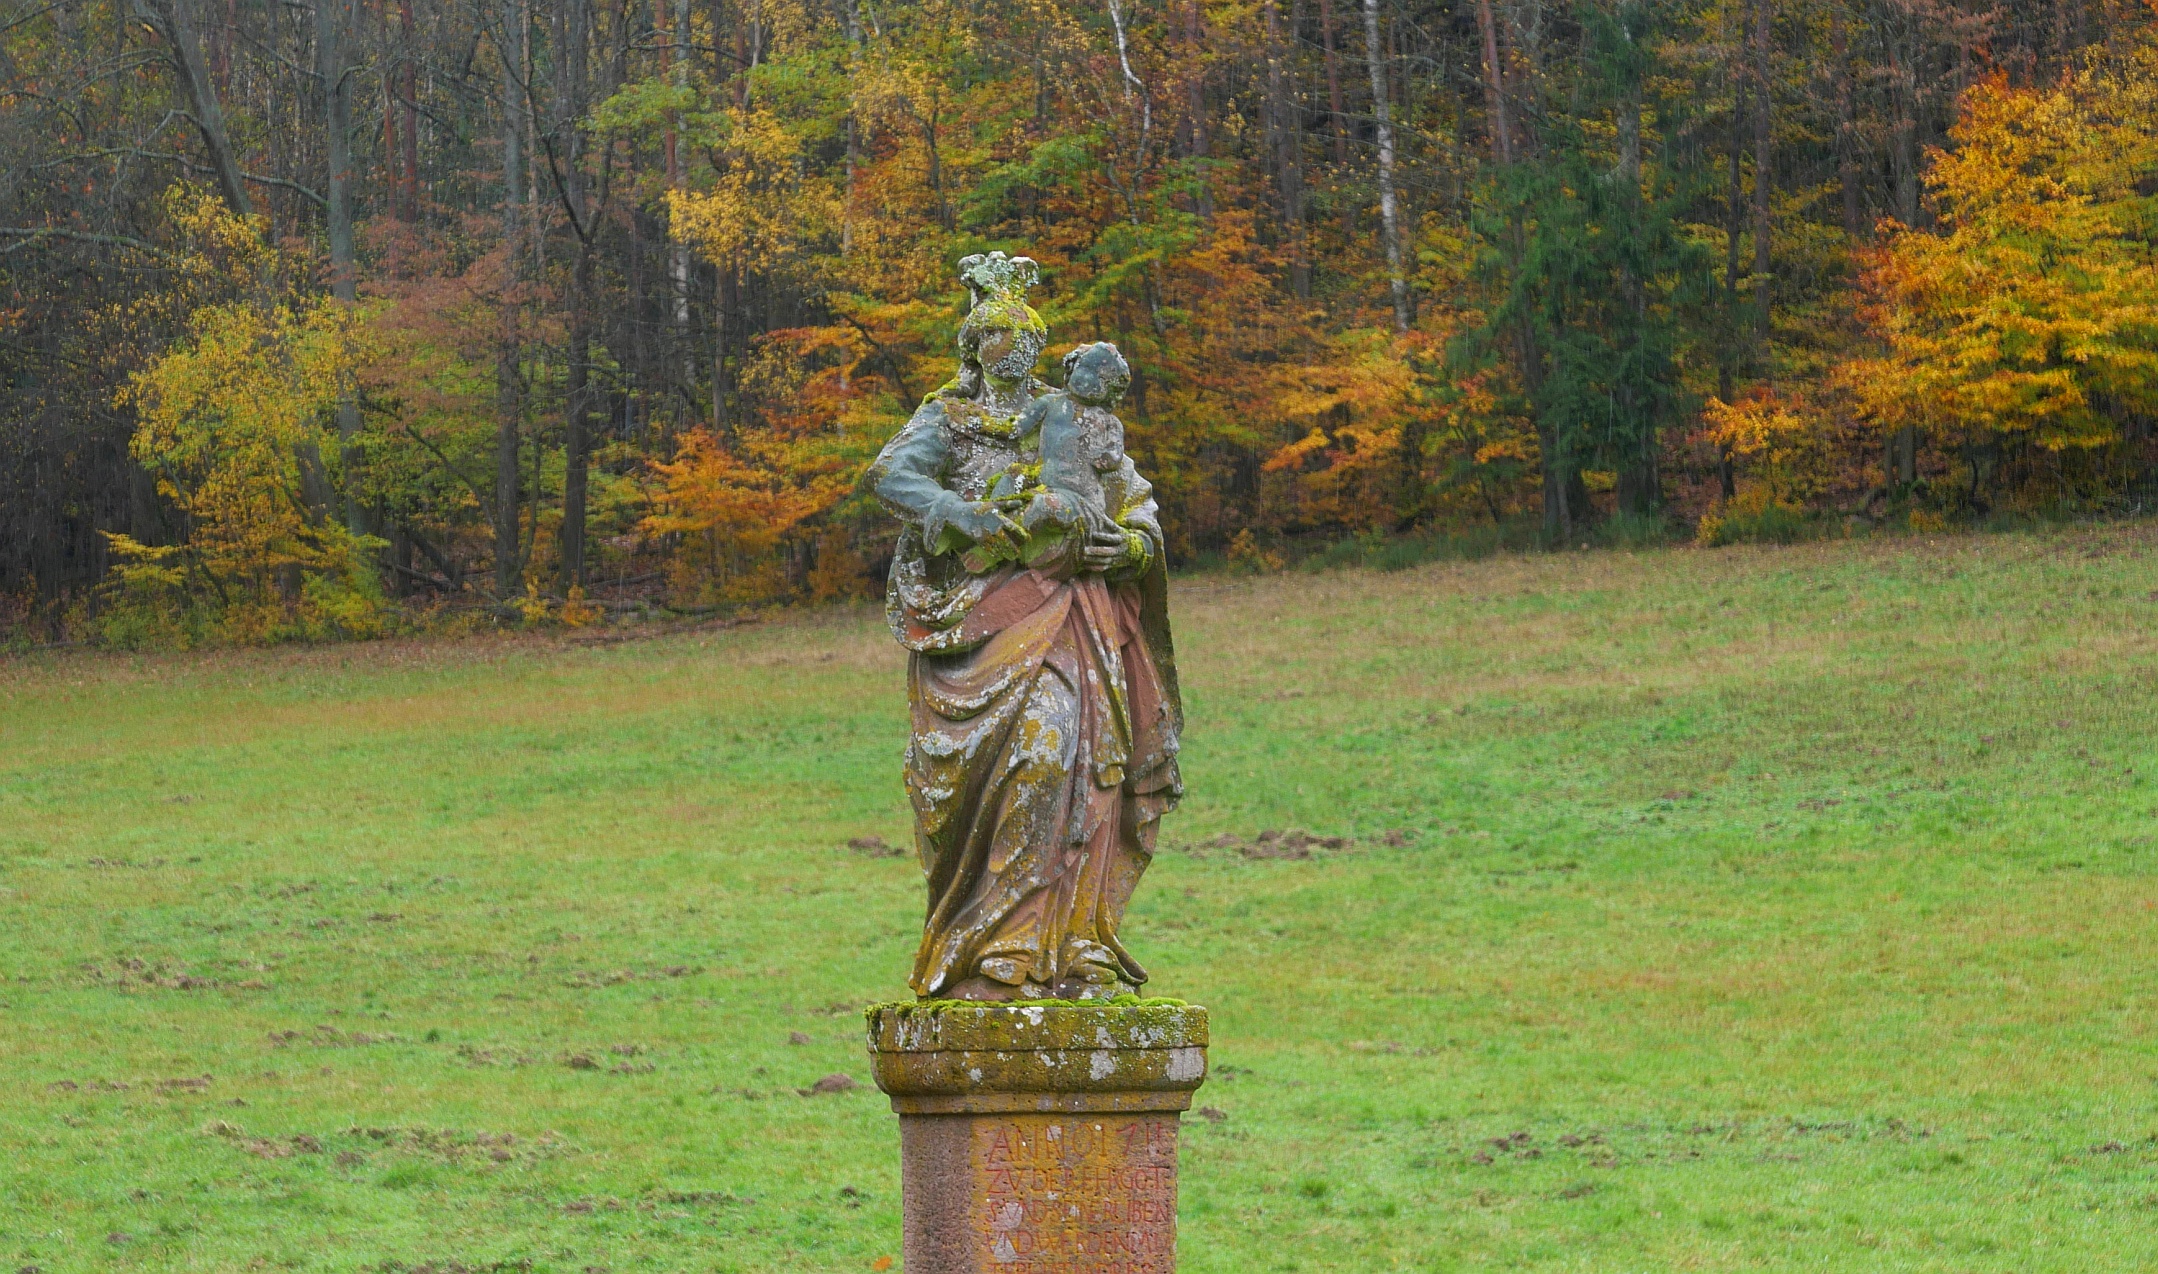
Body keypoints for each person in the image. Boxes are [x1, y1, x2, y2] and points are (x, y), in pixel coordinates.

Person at [864, 252, 1182, 1001]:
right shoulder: (949, 417)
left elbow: (1133, 500)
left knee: (1075, 758)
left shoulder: (1073, 414)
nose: (1016, 351)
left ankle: (1074, 941)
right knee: (1030, 761)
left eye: (1026, 337)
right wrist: (961, 514)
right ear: (974, 347)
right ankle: (997, 943)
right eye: (999, 337)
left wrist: (1133, 545)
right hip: (982, 624)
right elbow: (892, 477)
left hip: (1073, 620)